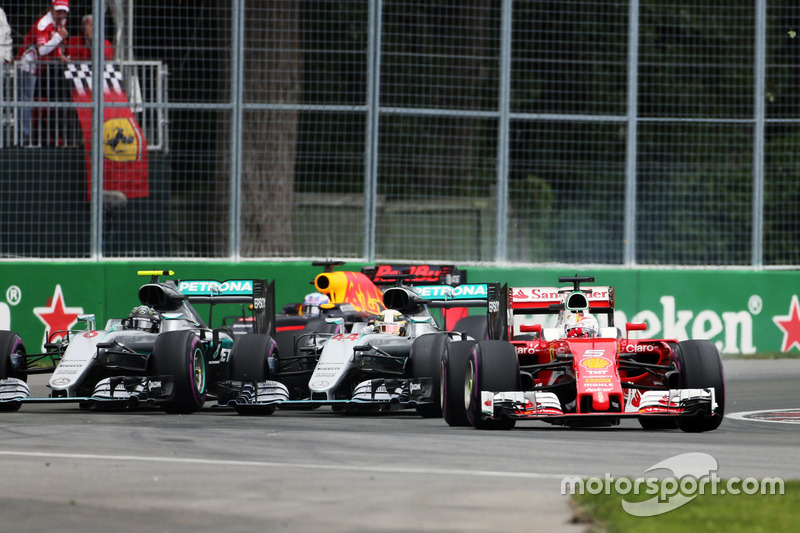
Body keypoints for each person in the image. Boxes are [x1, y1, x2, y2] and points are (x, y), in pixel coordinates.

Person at [17, 0, 70, 146]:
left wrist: (59, 54)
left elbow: (54, 44)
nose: (61, 14)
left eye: (64, 11)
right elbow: (42, 50)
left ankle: (45, 138)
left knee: (39, 99)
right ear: (51, 9)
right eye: (58, 11)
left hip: (42, 66)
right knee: (26, 101)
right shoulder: (43, 24)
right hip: (28, 65)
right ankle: (24, 139)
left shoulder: (61, 22)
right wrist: (59, 37)